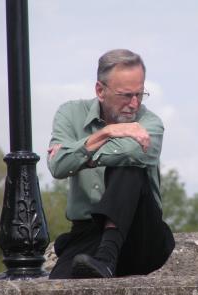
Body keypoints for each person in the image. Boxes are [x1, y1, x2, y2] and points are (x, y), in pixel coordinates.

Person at [47, 49, 175, 279]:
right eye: (126, 95)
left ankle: (107, 258)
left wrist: (78, 154)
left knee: (128, 162)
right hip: (87, 232)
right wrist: (107, 132)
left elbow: (65, 160)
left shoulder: (150, 123)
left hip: (141, 234)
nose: (134, 103)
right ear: (100, 90)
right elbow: (56, 167)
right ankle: (102, 258)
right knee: (57, 285)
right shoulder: (70, 113)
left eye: (140, 94)